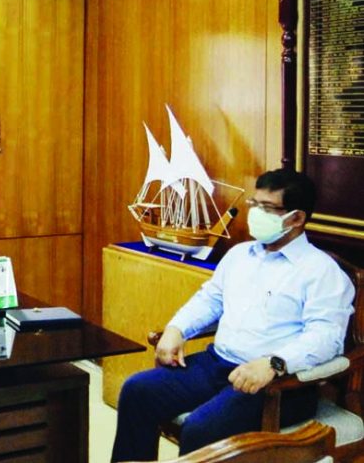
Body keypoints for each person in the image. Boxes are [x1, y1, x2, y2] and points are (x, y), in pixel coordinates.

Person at [111, 168, 354, 462]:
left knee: (201, 428)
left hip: (277, 384)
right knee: (137, 392)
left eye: (268, 208)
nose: (256, 214)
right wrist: (177, 328)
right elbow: (210, 300)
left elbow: (326, 338)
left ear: (297, 218)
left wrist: (274, 364)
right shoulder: (240, 255)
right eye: (255, 204)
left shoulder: (320, 271)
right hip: (218, 364)